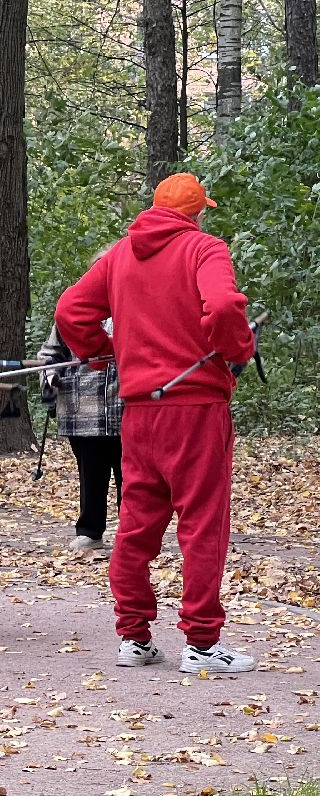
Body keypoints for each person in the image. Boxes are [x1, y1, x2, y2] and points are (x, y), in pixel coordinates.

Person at [56, 172, 256, 674]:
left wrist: (100, 351)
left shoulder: (121, 255)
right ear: (197, 212)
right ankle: (204, 643)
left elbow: (70, 309)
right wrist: (236, 347)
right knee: (202, 525)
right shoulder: (204, 248)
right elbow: (228, 305)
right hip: (196, 410)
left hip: (139, 412)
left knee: (137, 527)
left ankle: (134, 636)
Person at [36, 279, 123, 550]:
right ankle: (90, 531)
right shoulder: (75, 311)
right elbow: (49, 354)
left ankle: (131, 533)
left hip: (126, 410)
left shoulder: (132, 307)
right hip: (82, 410)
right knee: (91, 473)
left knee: (130, 476)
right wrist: (50, 375)